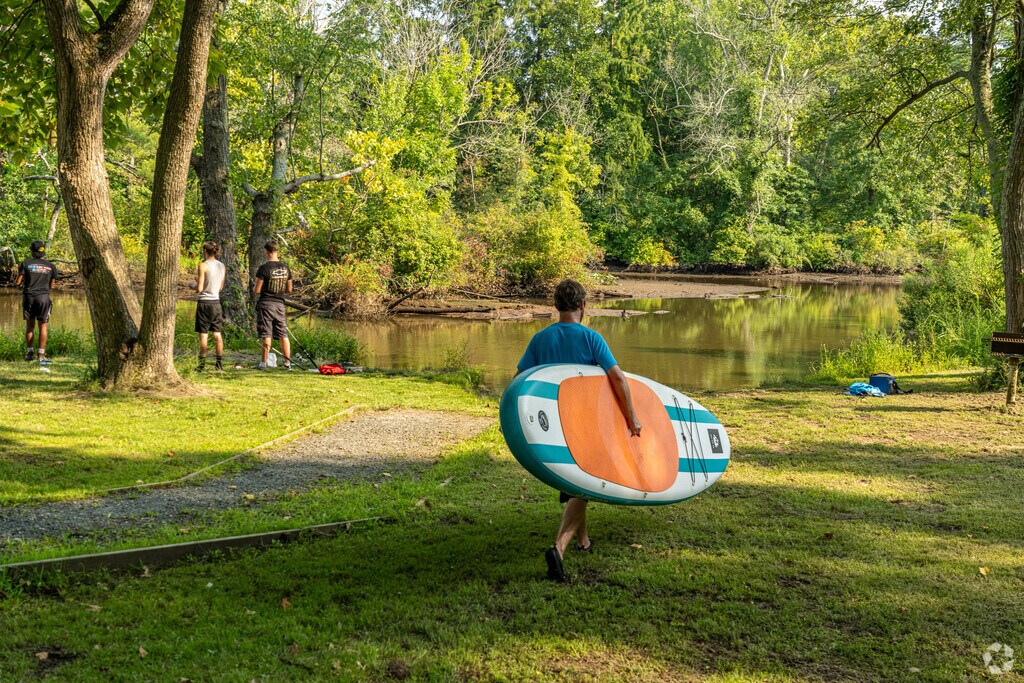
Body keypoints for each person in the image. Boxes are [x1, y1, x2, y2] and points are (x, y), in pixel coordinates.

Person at [515, 278, 642, 582]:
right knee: (583, 486)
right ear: (583, 305)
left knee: (577, 485)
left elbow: (520, 380)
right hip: (584, 424)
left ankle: (583, 540)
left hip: (551, 427)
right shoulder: (591, 338)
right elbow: (619, 379)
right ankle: (559, 549)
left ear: (556, 306)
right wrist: (632, 418)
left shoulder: (540, 339)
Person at [15, 240, 57, 364]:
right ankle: (41, 355)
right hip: (43, 297)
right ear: (43, 252)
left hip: (29, 296)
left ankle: (29, 354)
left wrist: (21, 285)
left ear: (32, 251)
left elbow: (18, 282)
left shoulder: (26, 263)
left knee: (30, 325)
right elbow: (52, 285)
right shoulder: (50, 266)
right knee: (43, 326)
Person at [253, 240, 293, 371]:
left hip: (266, 304)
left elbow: (257, 290)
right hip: (280, 304)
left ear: (267, 252)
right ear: (277, 251)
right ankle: (287, 363)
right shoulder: (285, 268)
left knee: (267, 333)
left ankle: (263, 363)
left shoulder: (264, 268)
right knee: (283, 333)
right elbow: (289, 289)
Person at [195, 241, 226, 371]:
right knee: (217, 334)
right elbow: (221, 287)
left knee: (203, 334)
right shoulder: (221, 266)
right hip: (216, 303)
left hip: (204, 303)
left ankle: (201, 365)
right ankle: (219, 364)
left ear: (205, 251)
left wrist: (193, 284)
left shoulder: (203, 265)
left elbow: (199, 288)